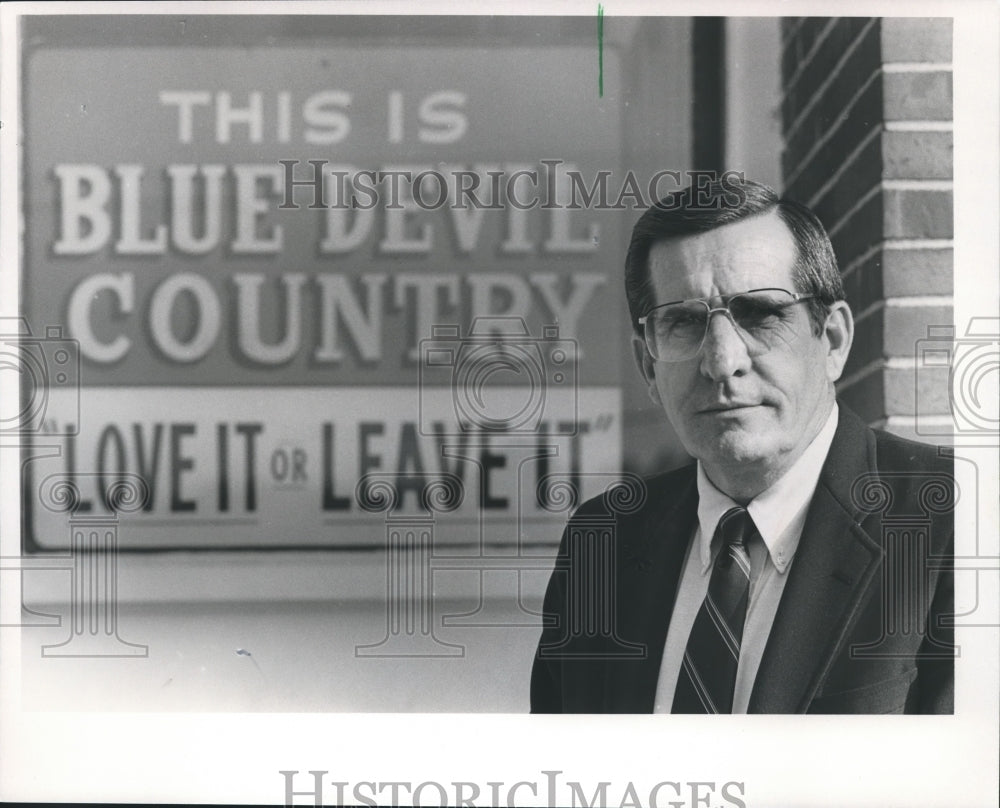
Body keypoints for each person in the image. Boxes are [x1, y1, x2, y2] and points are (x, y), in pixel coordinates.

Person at [530, 178, 954, 714]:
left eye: (759, 313)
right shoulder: (603, 542)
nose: (721, 360)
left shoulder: (957, 522)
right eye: (683, 322)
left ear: (834, 341)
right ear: (649, 368)